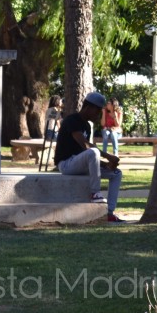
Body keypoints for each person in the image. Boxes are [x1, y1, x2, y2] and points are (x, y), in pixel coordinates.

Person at [54, 92, 125, 222]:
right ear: (89, 107)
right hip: (66, 164)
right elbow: (85, 145)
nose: (98, 115)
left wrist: (106, 165)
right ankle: (95, 193)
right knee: (93, 151)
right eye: (97, 111)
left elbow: (87, 156)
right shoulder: (72, 120)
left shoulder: (87, 126)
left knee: (116, 173)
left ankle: (109, 212)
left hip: (79, 163)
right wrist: (108, 156)